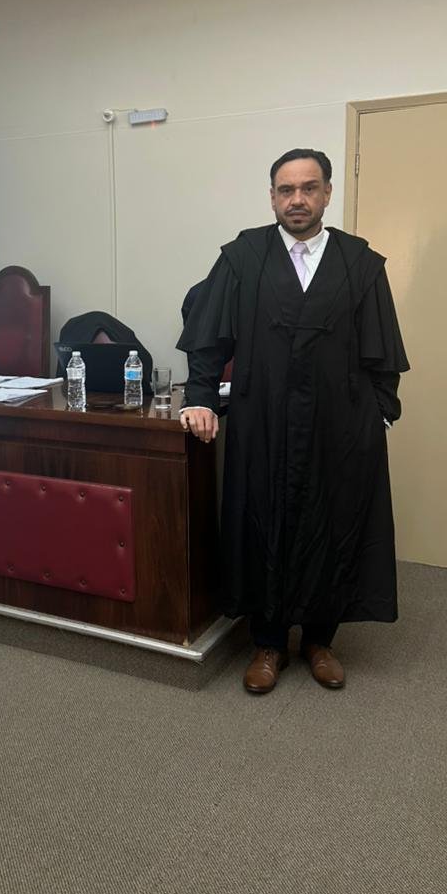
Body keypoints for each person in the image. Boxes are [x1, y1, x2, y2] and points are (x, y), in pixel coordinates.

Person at [178, 148, 408, 693]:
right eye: (286, 190)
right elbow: (209, 339)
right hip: (264, 419)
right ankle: (269, 642)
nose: (297, 199)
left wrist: (380, 415)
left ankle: (320, 641)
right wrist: (200, 397)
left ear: (327, 193)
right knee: (264, 520)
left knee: (334, 523)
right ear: (272, 197)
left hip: (338, 424)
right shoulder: (243, 257)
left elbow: (382, 352)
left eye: (308, 188)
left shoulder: (359, 263)